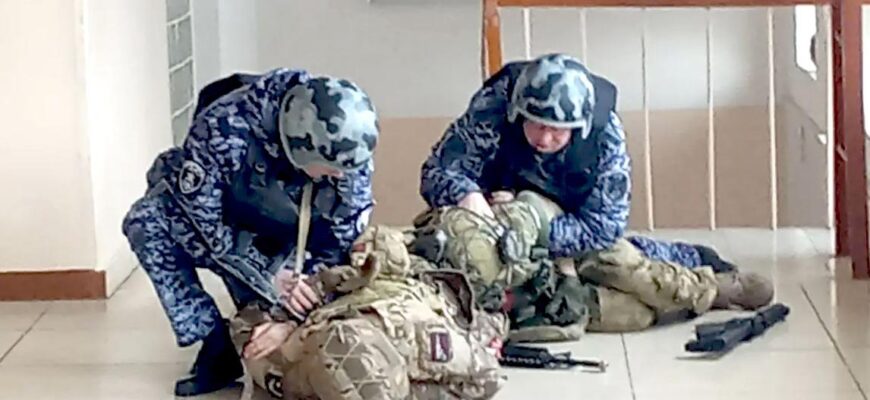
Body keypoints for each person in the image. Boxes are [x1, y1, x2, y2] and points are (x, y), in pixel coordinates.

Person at [121, 68, 379, 396]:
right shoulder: (223, 128)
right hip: (230, 230)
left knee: (281, 336)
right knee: (146, 220)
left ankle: (266, 322)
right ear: (300, 147)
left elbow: (340, 243)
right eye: (330, 169)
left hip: (294, 245)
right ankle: (213, 342)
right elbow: (208, 226)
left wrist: (301, 300)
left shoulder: (347, 155)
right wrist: (267, 274)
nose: (340, 176)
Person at [419, 52, 735, 274]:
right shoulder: (494, 106)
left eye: (557, 130)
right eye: (535, 125)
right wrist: (465, 194)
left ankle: (695, 264)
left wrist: (530, 228)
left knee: (615, 265)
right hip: (490, 211)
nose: (544, 139)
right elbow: (436, 171)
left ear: (579, 127)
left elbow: (604, 227)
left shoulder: (604, 135)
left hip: (563, 221)